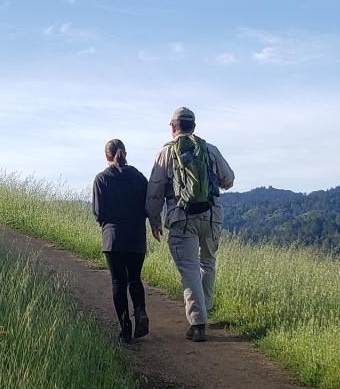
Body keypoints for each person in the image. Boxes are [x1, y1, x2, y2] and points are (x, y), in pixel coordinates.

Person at [146, 107, 234, 342]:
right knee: (208, 262)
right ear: (193, 126)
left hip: (182, 218)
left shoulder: (166, 152)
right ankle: (204, 310)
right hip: (212, 215)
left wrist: (154, 220)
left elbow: (155, 191)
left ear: (173, 127)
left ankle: (198, 323)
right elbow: (229, 180)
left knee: (189, 269)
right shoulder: (210, 149)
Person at [93, 139, 149, 343]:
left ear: (107, 156)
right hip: (136, 237)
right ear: (125, 152)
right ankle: (140, 310)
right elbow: (147, 207)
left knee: (118, 282)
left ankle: (126, 330)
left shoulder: (101, 179)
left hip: (113, 239)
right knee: (135, 278)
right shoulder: (140, 178)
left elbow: (99, 213)